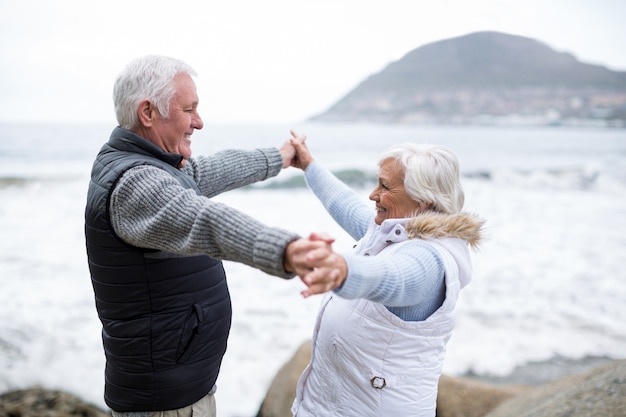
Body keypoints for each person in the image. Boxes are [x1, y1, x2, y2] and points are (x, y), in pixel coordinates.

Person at [84, 55, 335, 417]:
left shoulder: (143, 162)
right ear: (148, 112)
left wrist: (281, 157)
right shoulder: (136, 183)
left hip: (175, 387)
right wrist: (287, 249)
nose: (198, 122)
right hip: (165, 404)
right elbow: (203, 220)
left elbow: (208, 171)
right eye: (189, 110)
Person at [288, 131, 485, 417]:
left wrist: (342, 270)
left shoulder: (430, 259)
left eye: (384, 186)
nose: (373, 195)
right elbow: (344, 204)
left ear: (423, 201)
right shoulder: (392, 233)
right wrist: (309, 165)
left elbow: (393, 278)